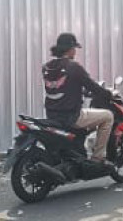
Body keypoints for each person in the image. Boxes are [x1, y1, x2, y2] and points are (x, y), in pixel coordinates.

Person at [42, 32, 112, 164]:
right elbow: (92, 87)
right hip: (72, 117)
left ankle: (81, 149)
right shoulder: (74, 67)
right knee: (108, 116)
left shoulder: (46, 67)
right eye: (74, 48)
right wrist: (108, 94)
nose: (75, 51)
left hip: (52, 116)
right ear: (69, 49)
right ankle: (98, 157)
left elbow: (62, 87)